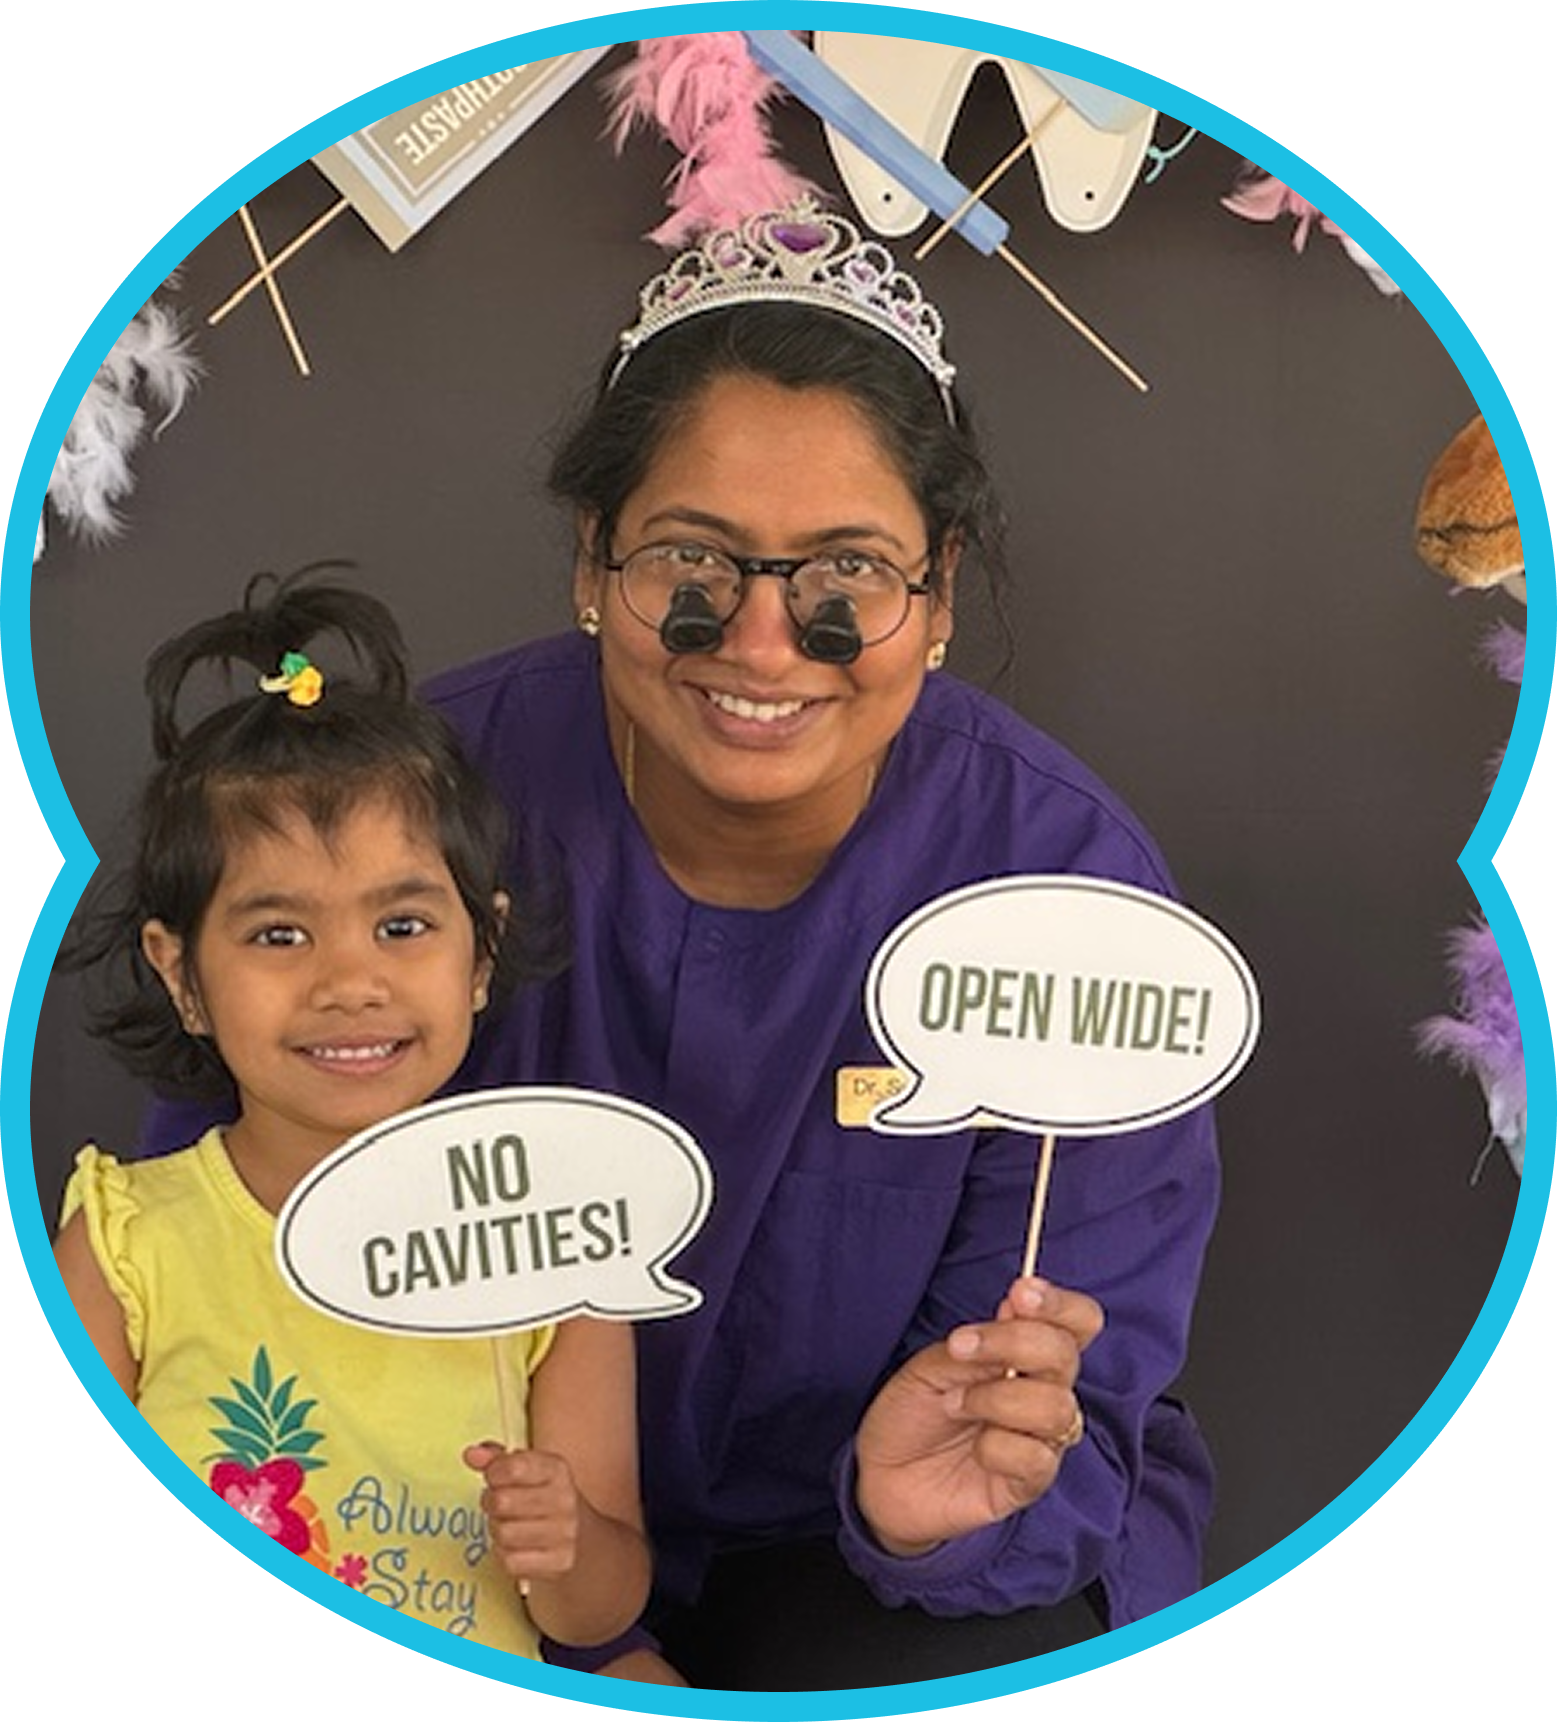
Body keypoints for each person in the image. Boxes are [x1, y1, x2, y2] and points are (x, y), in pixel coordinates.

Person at [141, 207, 1220, 1689]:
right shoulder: (386, 814)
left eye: (845, 579)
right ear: (592, 558)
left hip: (874, 1572)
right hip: (445, 1524)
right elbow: (202, 1239)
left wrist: (937, 1520)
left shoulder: (1069, 890)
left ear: (938, 592)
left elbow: (1070, 1416)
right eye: (692, 565)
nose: (764, 644)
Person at [52, 574, 678, 1680]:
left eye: (402, 925)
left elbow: (601, 1608)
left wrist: (567, 1544)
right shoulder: (124, 1241)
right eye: (279, 935)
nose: (352, 981)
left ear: (480, 954)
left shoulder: (561, 1244)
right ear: (180, 975)